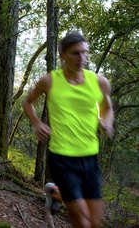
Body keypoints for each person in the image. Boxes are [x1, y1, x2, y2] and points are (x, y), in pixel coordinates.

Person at [22, 32, 114, 228]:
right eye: (75, 53)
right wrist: (37, 123)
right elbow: (27, 102)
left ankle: (56, 194)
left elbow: (107, 108)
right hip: (62, 156)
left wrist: (107, 122)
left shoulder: (99, 82)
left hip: (90, 156)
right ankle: (60, 193)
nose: (82, 59)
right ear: (62, 55)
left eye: (85, 53)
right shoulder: (49, 81)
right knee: (82, 220)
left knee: (95, 221)